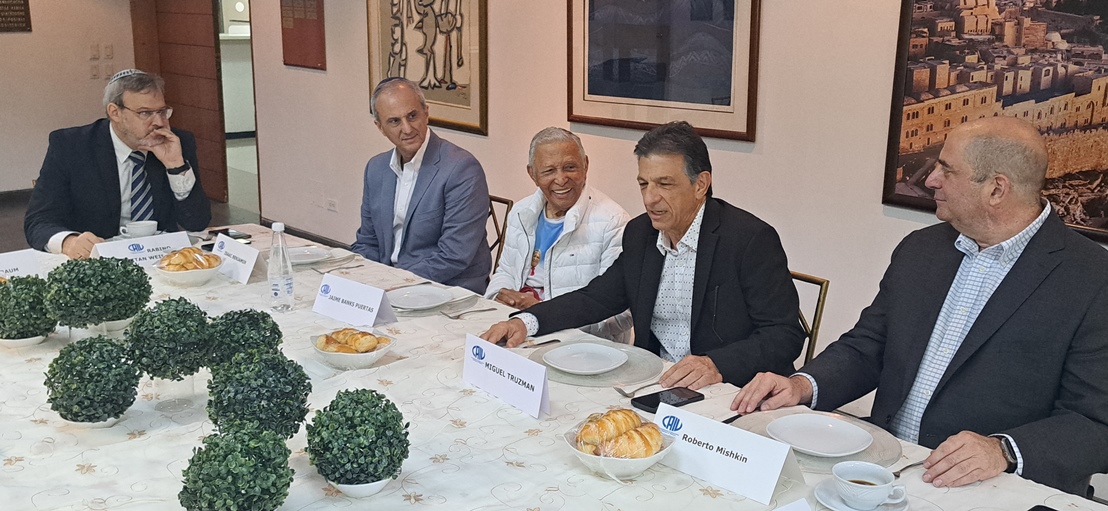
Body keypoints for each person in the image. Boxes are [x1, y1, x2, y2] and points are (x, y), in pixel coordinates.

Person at [731, 117, 1108, 495]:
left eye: (947, 169)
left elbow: (1096, 421)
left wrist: (1003, 450)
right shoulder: (921, 249)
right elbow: (870, 345)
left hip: (994, 489)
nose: (931, 180)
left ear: (996, 189)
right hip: (889, 470)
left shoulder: (1092, 279)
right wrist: (802, 385)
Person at [482, 121, 804, 389]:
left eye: (664, 184)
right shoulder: (641, 234)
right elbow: (596, 298)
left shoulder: (748, 240)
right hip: (655, 382)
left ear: (700, 184)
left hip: (729, 389)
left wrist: (716, 363)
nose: (650, 199)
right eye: (643, 184)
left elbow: (784, 335)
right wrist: (527, 321)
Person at [24, 69, 211, 259]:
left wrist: (176, 166)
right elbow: (38, 220)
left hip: (160, 257)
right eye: (145, 113)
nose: (159, 122)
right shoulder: (71, 146)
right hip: (98, 259)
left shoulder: (177, 142)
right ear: (115, 112)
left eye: (162, 112)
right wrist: (69, 242)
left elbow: (197, 222)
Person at [486, 127, 632, 343]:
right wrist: (499, 295)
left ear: (586, 166)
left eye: (570, 167)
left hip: (579, 344)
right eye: (549, 171)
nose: (561, 179)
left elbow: (622, 314)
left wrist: (544, 314)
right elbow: (506, 270)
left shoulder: (613, 222)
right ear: (532, 174)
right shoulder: (521, 212)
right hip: (517, 325)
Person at [351, 77, 491, 294]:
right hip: (390, 285)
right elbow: (367, 242)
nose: (407, 129)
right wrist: (357, 278)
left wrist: (392, 283)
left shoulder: (462, 169)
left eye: (412, 116)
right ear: (380, 127)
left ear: (426, 113)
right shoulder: (376, 169)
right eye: (394, 121)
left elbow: (453, 256)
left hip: (446, 289)